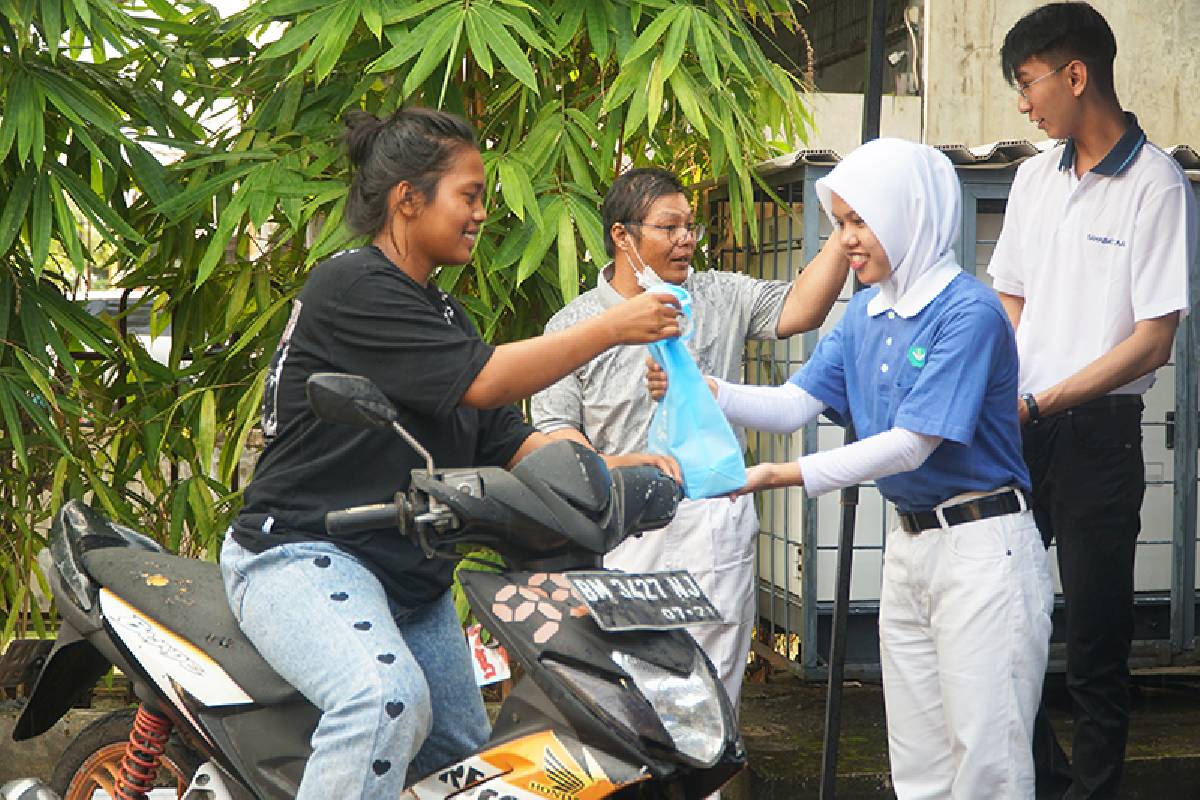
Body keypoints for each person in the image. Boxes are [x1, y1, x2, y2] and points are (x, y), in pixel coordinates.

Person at [219, 108, 683, 798]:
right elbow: (487, 377)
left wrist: (621, 469)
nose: (480, 214)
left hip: (411, 573)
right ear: (408, 199)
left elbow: (511, 440)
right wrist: (612, 326)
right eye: (468, 195)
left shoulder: (444, 314)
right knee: (382, 700)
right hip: (300, 554)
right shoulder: (351, 285)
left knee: (465, 766)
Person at [652, 139, 1054, 798]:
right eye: (840, 224)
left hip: (983, 549)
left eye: (858, 222)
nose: (846, 242)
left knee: (989, 762)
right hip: (910, 544)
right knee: (918, 762)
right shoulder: (865, 312)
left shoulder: (968, 312)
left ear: (909, 214)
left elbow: (909, 444)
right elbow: (791, 405)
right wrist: (702, 388)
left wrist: (779, 477)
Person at [530, 167, 849, 721]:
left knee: (712, 689)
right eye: (668, 228)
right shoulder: (576, 324)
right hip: (624, 523)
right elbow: (554, 432)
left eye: (689, 227)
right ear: (622, 236)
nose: (685, 240)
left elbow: (802, 308)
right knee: (632, 691)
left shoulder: (719, 293)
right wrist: (618, 466)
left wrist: (847, 230)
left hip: (711, 518)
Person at [989, 5, 1197, 798]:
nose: (1023, 103)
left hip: (1099, 435)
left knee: (1095, 641)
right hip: (1016, 428)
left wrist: (1042, 403)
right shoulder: (1032, 176)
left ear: (1076, 76)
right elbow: (1009, 299)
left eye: (1029, 82)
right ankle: (1042, 780)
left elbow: (1153, 341)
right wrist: (1003, 397)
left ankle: (1096, 790)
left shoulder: (1157, 186)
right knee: (1004, 620)